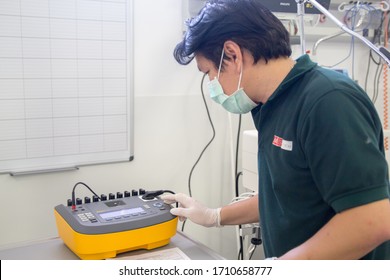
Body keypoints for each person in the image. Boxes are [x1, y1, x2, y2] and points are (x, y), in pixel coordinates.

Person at [162, 0, 390, 259]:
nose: (212, 84)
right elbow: (285, 195)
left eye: (209, 73)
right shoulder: (271, 106)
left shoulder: (327, 100)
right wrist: (214, 216)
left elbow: (372, 220)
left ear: (233, 54)